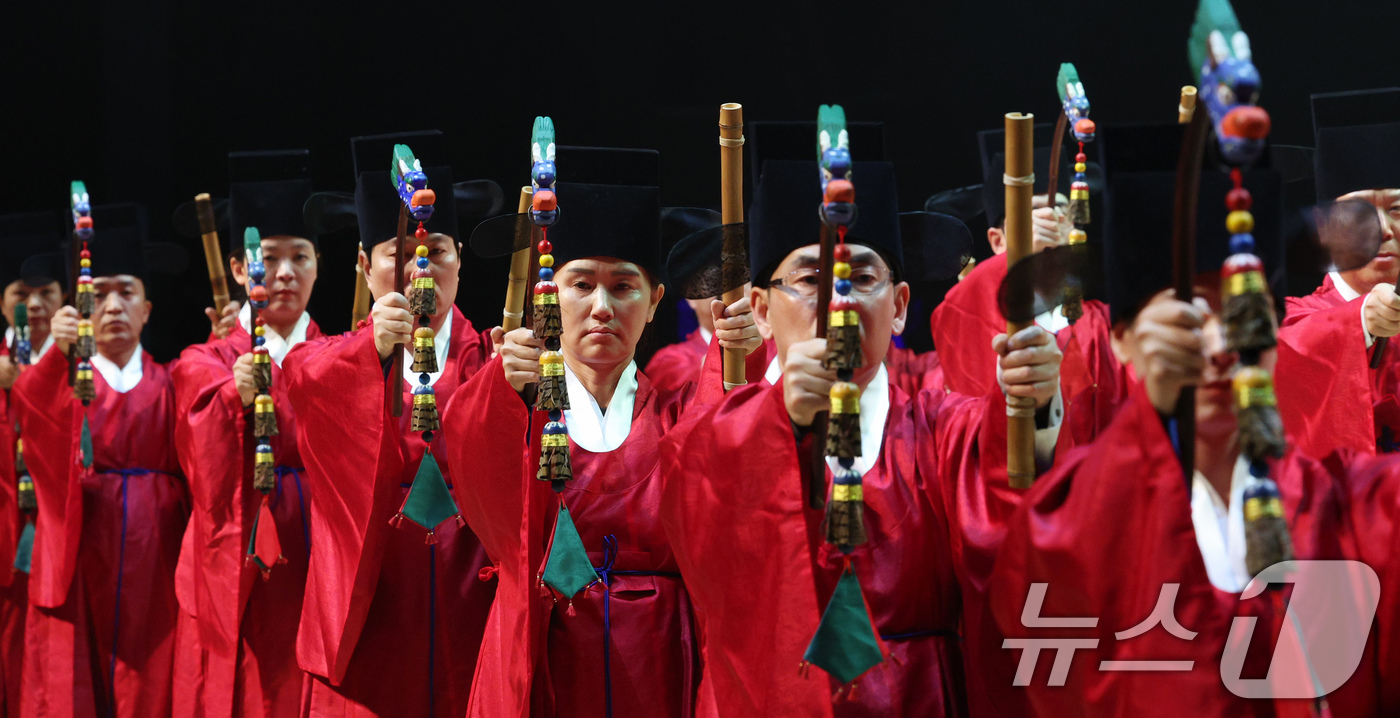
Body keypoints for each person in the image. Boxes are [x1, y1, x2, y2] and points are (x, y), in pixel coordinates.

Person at [986, 123, 1400, 715]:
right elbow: (1049, 621)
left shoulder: (1350, 510)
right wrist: (1154, 409)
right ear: (1125, 342)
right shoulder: (1084, 516)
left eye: (1242, 312)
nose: (1219, 342)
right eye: (1187, 318)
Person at [659, 132, 1067, 717]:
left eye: (863, 278)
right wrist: (782, 421)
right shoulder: (717, 433)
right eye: (806, 279)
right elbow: (703, 537)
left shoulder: (939, 427)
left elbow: (1007, 498)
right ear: (759, 310)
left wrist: (1037, 406)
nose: (837, 300)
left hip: (918, 697)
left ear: (900, 307)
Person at [443, 144, 761, 717]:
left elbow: (730, 456)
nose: (601, 307)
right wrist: (499, 390)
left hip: (663, 652)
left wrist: (743, 354)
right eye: (581, 284)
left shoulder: (680, 413)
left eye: (623, 287)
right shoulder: (519, 400)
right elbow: (472, 469)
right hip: (545, 645)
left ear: (656, 299)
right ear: (550, 293)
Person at [286, 130, 503, 717]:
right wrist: (371, 356)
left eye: (437, 253)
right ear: (364, 265)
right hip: (374, 591)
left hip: (471, 590)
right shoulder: (334, 358)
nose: (419, 269)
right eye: (400, 254)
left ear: (460, 258)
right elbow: (302, 379)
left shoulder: (493, 356)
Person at [14, 203, 190, 718]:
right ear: (82, 308)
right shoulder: (66, 378)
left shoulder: (173, 378)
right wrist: (54, 356)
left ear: (147, 309)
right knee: (83, 675)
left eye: (127, 293)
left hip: (156, 553)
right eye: (101, 293)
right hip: (85, 539)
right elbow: (32, 415)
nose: (113, 306)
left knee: (152, 679)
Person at [170, 149, 322, 717]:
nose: (284, 273)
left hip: (317, 552)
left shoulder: (342, 357)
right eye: (268, 258)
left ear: (317, 266)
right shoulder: (201, 362)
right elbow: (198, 468)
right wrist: (232, 395)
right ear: (238, 269)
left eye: (299, 258)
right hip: (237, 555)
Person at [929, 125, 1127, 442]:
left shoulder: (1108, 323)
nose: (1047, 218)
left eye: (1059, 208)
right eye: (1028, 213)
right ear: (997, 241)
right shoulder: (967, 321)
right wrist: (1024, 256)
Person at [1275, 88, 1400, 456]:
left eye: (1397, 209)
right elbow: (1281, 357)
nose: (1383, 229)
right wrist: (1360, 321)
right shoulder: (1290, 319)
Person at [0, 210, 66, 718]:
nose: (36, 305)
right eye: (23, 295)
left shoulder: (83, 367)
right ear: (4, 303)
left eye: (47, 292)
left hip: (65, 539)